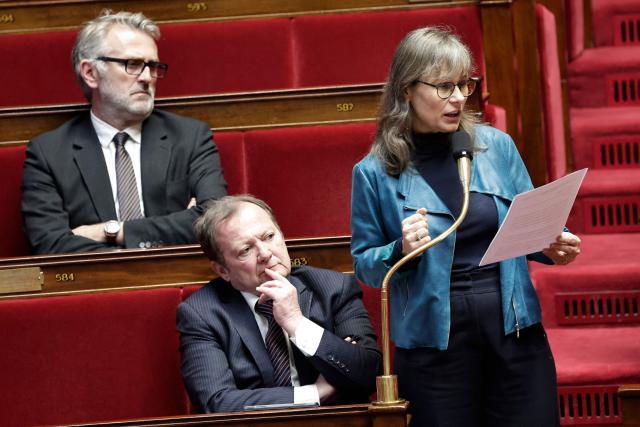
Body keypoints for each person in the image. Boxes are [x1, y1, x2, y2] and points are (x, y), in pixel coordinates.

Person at [350, 27, 581, 427]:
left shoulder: (496, 147)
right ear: (406, 90)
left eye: (464, 84)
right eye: (443, 87)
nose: (458, 97)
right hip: (435, 352)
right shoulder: (373, 172)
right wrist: (399, 249)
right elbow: (366, 267)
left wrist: (550, 245)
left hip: (515, 333)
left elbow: (529, 226)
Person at [21, 10, 227, 255]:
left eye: (152, 66)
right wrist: (178, 224)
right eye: (133, 64)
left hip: (181, 277)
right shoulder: (48, 153)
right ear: (90, 73)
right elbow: (51, 244)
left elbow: (215, 221)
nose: (147, 77)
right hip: (98, 286)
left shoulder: (190, 137)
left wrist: (112, 231)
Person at [177, 195, 381, 413]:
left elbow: (369, 375)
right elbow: (216, 402)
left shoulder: (333, 288)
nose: (265, 253)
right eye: (246, 250)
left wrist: (297, 323)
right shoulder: (201, 313)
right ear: (223, 270)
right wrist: (314, 394)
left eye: (269, 236)